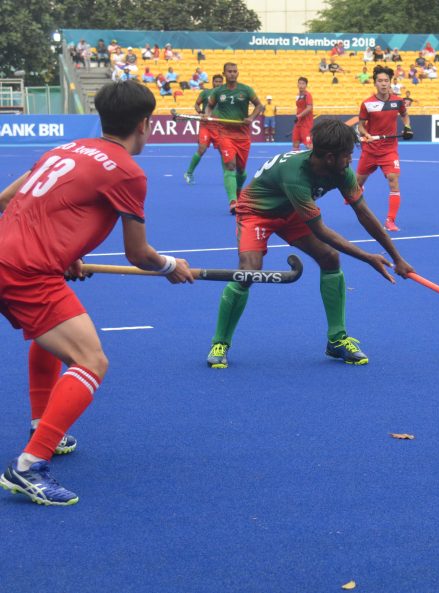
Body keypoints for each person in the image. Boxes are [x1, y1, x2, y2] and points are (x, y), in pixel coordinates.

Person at [0, 82, 195, 506]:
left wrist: (64, 252)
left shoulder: (66, 149)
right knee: (90, 359)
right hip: (27, 271)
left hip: (8, 255)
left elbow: (8, 200)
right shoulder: (128, 171)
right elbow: (139, 253)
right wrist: (170, 267)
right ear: (145, 124)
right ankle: (30, 465)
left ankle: (42, 424)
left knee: (48, 333)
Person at [205, 118, 414, 370]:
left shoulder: (340, 171)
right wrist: (368, 258)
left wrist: (397, 257)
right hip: (257, 211)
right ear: (328, 157)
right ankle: (220, 343)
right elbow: (321, 231)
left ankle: (337, 339)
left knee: (330, 259)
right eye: (347, 156)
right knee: (249, 270)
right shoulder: (296, 175)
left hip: (291, 211)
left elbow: (364, 214)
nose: (350, 161)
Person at [357, 66, 413, 232]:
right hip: (370, 149)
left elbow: (404, 115)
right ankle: (358, 189)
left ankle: (390, 220)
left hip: (389, 150)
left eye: (386, 81)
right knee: (357, 184)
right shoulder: (367, 104)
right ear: (375, 83)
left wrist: (407, 126)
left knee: (393, 180)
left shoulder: (398, 101)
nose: (383, 83)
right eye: (380, 81)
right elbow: (360, 127)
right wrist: (366, 134)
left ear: (390, 83)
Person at [206, 62, 264, 214]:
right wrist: (207, 115)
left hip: (243, 135)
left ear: (238, 73)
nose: (232, 73)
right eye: (229, 71)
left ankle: (238, 192)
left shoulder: (246, 90)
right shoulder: (218, 92)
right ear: (224, 74)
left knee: (241, 171)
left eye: (235, 71)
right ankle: (233, 202)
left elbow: (259, 106)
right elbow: (209, 106)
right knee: (230, 166)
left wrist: (251, 117)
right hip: (225, 134)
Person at [184, 73, 225, 184]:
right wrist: (201, 112)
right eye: (216, 81)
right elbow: (196, 104)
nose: (218, 83)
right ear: (212, 82)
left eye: (220, 81)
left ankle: (227, 175)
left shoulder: (226, 95)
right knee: (202, 149)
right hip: (206, 126)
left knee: (223, 151)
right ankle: (189, 173)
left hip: (219, 127)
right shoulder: (205, 93)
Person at [292, 77, 314, 151]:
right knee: (295, 143)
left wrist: (299, 116)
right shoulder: (298, 95)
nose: (301, 85)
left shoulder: (308, 95)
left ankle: (314, 160)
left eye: (303, 84)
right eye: (300, 83)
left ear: (306, 85)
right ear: (297, 85)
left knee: (308, 144)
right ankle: (295, 161)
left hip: (306, 124)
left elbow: (309, 108)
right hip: (298, 123)